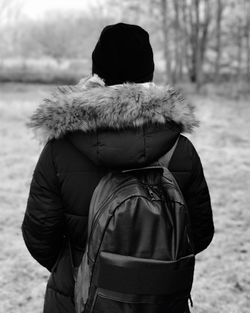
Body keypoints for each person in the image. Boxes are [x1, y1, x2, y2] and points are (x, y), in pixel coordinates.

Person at [22, 23, 214, 313]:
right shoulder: (180, 149)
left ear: (98, 75)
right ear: (149, 74)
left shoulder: (61, 148)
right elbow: (199, 233)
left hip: (77, 298)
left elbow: (40, 235)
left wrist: (86, 266)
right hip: (160, 302)